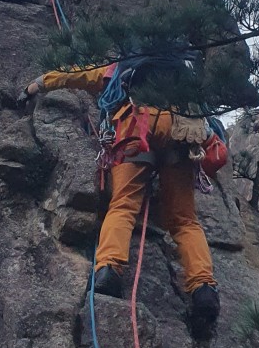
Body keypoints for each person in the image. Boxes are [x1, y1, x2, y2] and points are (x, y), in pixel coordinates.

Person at [22, 64, 220, 334]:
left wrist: (39, 83)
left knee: (124, 205)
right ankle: (203, 289)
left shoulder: (127, 63)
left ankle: (108, 271)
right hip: (181, 131)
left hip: (136, 125)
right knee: (185, 221)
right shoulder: (184, 70)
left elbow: (81, 75)